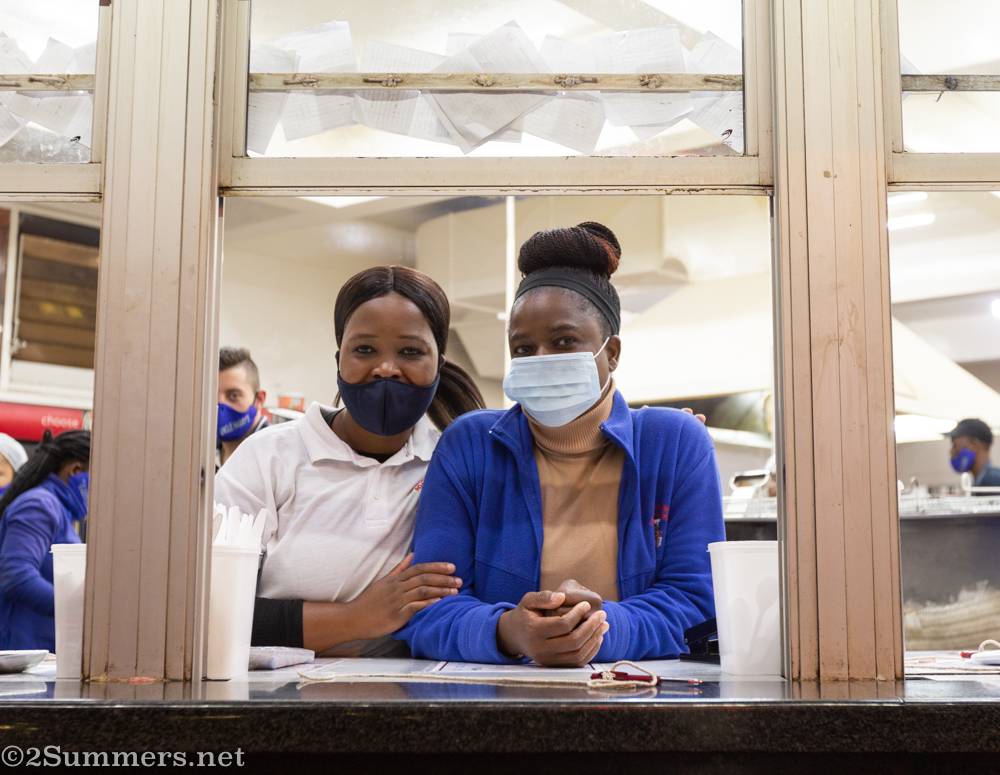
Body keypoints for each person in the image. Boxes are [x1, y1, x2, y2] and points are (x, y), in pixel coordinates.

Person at [397, 222, 726, 667]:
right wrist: (509, 631)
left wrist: (599, 629)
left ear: (611, 353)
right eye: (524, 348)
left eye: (565, 341)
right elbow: (427, 608)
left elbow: (697, 604)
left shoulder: (674, 445)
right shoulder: (470, 447)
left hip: (637, 695)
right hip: (499, 700)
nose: (542, 360)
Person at [213, 266, 486, 657]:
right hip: (276, 699)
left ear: (438, 365)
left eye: (410, 351)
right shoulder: (268, 458)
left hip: (406, 697)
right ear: (339, 359)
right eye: (365, 350)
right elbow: (209, 610)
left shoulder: (452, 466)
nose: (386, 368)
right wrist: (357, 617)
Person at [0, 429, 90, 651]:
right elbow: (16, 576)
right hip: (20, 659)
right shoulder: (40, 505)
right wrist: (82, 610)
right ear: (76, 470)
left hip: (36, 658)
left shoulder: (59, 510)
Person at [217, 346, 270, 467]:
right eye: (211, 396)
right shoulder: (201, 453)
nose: (220, 405)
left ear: (259, 400)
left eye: (234, 396)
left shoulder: (278, 456)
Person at [947, 418, 1000, 494]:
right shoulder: (981, 480)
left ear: (974, 445)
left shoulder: (992, 482)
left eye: (955, 446)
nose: (951, 452)